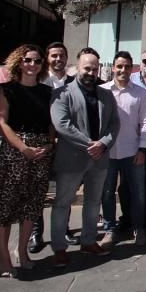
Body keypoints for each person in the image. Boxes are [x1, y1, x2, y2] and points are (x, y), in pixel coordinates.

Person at [0, 44, 54, 276]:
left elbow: (51, 123)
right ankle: (3, 254)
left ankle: (22, 251)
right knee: (6, 203)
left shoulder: (46, 92)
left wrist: (49, 143)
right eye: (28, 60)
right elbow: (2, 123)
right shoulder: (6, 90)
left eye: (37, 61)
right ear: (19, 62)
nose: (32, 65)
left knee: (32, 204)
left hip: (41, 151)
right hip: (14, 152)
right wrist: (23, 148)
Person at [49, 48, 120, 267]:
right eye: (86, 68)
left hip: (99, 158)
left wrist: (104, 143)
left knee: (93, 202)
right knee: (62, 203)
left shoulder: (106, 95)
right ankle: (59, 248)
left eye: (94, 68)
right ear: (77, 67)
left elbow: (114, 124)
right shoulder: (62, 93)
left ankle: (89, 240)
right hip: (72, 159)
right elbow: (61, 124)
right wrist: (89, 144)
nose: (91, 72)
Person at [100, 51, 146, 247]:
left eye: (127, 66)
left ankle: (139, 228)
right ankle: (109, 229)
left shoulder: (140, 93)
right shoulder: (102, 91)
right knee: (107, 192)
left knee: (138, 192)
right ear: (113, 67)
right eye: (119, 66)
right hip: (107, 153)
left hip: (133, 152)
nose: (123, 70)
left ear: (132, 69)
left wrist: (142, 149)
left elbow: (145, 123)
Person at [29, 41, 74, 254]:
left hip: (66, 145)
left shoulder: (74, 82)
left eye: (62, 55)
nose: (58, 59)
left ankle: (63, 229)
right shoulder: (38, 82)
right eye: (54, 55)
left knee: (65, 190)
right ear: (47, 58)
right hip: (42, 143)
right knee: (37, 190)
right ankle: (35, 233)